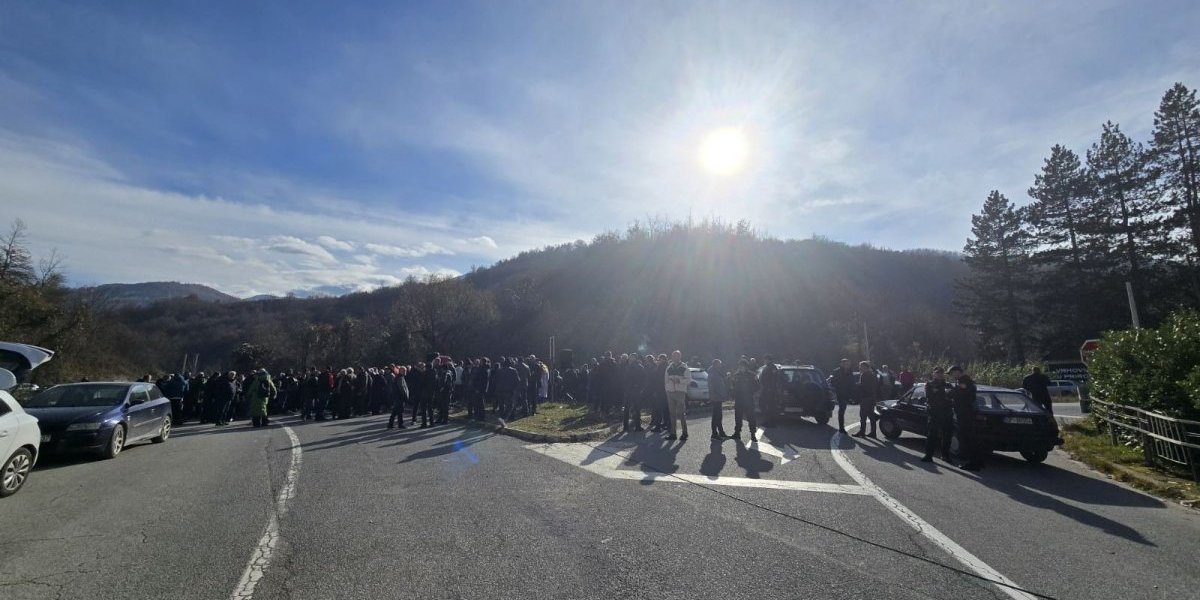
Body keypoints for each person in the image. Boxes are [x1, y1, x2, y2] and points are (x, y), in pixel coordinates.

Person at [950, 366, 984, 471]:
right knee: (972, 439)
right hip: (967, 413)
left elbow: (960, 394)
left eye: (952, 373)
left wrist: (948, 393)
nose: (952, 375)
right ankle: (978, 462)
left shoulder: (963, 381)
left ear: (957, 372)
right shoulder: (967, 381)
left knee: (968, 439)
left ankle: (973, 463)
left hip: (966, 413)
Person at [920, 368, 953, 463]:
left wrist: (942, 393)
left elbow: (952, 396)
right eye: (937, 373)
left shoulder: (948, 385)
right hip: (934, 413)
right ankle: (928, 455)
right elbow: (929, 396)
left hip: (946, 413)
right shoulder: (929, 384)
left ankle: (945, 455)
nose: (939, 375)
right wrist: (943, 394)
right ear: (933, 374)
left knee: (947, 435)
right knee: (931, 435)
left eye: (941, 373)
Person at [729, 359, 759, 441]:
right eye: (740, 366)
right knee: (738, 417)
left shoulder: (752, 375)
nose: (741, 367)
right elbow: (732, 387)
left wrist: (751, 393)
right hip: (739, 399)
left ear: (746, 366)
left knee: (751, 417)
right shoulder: (736, 375)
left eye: (743, 366)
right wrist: (733, 395)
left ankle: (753, 434)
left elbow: (757, 386)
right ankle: (737, 433)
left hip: (748, 399)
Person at [663, 350, 691, 441]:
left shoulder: (684, 367)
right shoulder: (669, 367)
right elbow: (666, 379)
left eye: (677, 356)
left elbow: (689, 380)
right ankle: (673, 433)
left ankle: (685, 433)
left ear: (680, 357)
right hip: (670, 392)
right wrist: (667, 389)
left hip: (680, 392)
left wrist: (679, 381)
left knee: (681, 414)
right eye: (673, 356)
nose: (675, 357)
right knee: (672, 414)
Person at [829, 358, 856, 433]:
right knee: (842, 409)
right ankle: (841, 427)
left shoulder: (850, 371)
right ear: (841, 364)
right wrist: (838, 387)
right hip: (840, 393)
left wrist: (853, 392)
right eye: (846, 363)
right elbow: (833, 382)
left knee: (843, 409)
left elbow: (852, 382)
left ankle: (841, 427)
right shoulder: (836, 371)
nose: (847, 365)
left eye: (848, 363)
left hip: (848, 393)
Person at [854, 361, 879, 438]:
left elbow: (864, 386)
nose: (859, 368)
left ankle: (862, 431)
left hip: (865, 397)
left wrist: (857, 386)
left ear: (865, 367)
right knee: (871, 415)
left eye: (861, 366)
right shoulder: (873, 374)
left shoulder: (865, 375)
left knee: (863, 415)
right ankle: (873, 432)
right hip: (872, 397)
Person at [707, 359, 728, 440]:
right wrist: (716, 395)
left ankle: (721, 432)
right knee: (716, 416)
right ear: (715, 364)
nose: (720, 365)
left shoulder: (716, 372)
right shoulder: (713, 373)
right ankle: (714, 434)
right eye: (719, 364)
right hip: (716, 397)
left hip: (718, 397)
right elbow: (712, 386)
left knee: (719, 416)